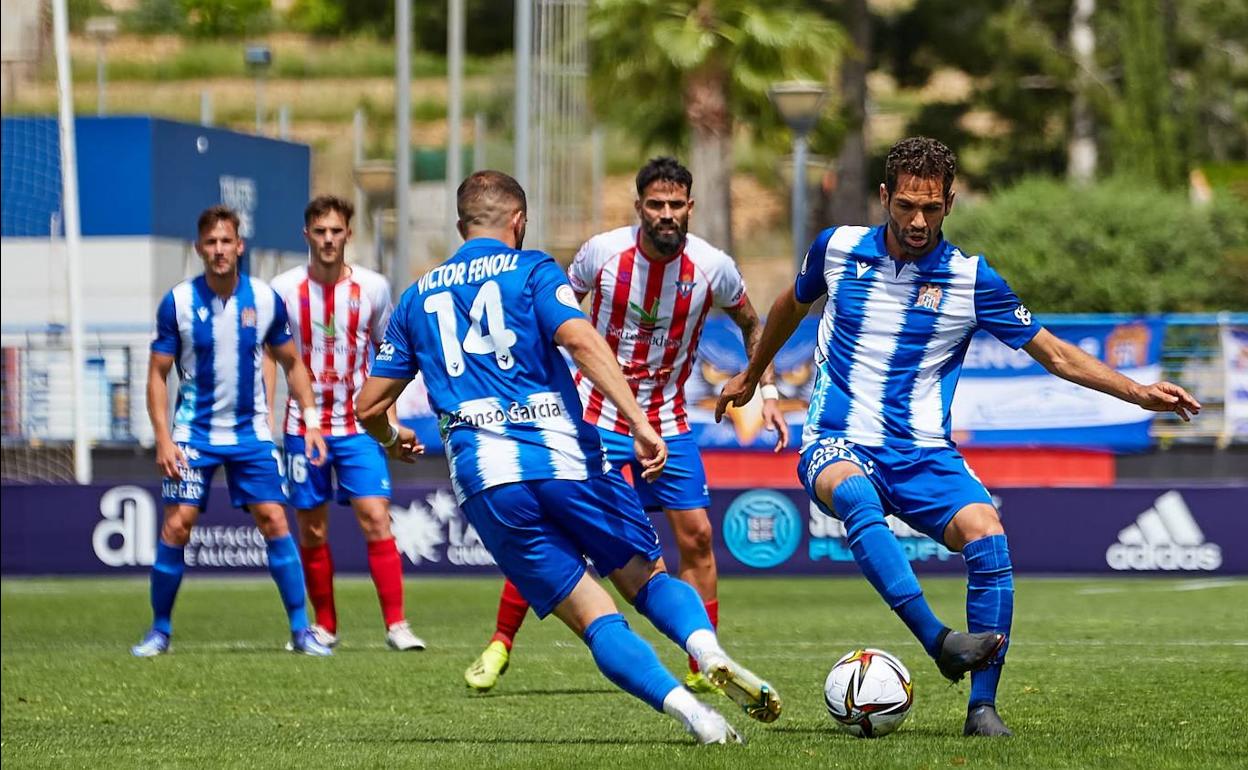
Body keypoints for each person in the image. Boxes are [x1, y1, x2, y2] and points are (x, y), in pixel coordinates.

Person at [716, 137, 1201, 737]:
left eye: (932, 208)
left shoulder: (973, 280)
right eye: (906, 206)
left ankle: (982, 708)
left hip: (923, 453)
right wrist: (752, 374)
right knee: (857, 497)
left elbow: (1053, 354)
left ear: (950, 202)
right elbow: (792, 304)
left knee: (988, 534)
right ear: (885, 197)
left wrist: (1139, 392)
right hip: (837, 436)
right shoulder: (836, 249)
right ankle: (937, 639)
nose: (917, 221)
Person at [356, 170, 781, 744]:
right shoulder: (532, 269)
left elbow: (369, 405)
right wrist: (639, 423)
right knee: (646, 578)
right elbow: (582, 340)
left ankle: (695, 716)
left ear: (461, 227)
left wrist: (390, 439)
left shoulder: (416, 297)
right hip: (564, 456)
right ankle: (705, 649)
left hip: (487, 481)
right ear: (520, 221)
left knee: (592, 616)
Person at [463, 156, 789, 695]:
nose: (666, 214)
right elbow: (551, 313)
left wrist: (767, 389)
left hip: (668, 421)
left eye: (675, 205)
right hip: (594, 419)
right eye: (655, 205)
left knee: (699, 537)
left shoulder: (714, 267)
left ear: (690, 207)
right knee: (561, 534)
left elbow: (755, 325)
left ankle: (702, 663)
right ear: (638, 207)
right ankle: (500, 642)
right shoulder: (602, 254)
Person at [132, 205, 334, 658]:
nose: (219, 250)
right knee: (177, 525)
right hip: (192, 433)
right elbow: (156, 375)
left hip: (250, 436)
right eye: (211, 243)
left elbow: (292, 363)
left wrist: (312, 420)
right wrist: (163, 438)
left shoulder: (263, 299)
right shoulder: (179, 302)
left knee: (275, 520)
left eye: (227, 241)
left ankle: (301, 631)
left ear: (239, 246)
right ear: (199, 248)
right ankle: (160, 631)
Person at [269, 195, 425, 652]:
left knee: (376, 517)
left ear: (348, 235)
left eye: (336, 231)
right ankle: (325, 626)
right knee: (312, 528)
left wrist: (388, 423)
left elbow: (389, 358)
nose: (328, 240)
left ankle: (397, 626)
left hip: (358, 427)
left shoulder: (373, 289)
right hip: (304, 426)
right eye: (320, 232)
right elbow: (273, 356)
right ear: (306, 236)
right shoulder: (283, 290)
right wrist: (268, 415)